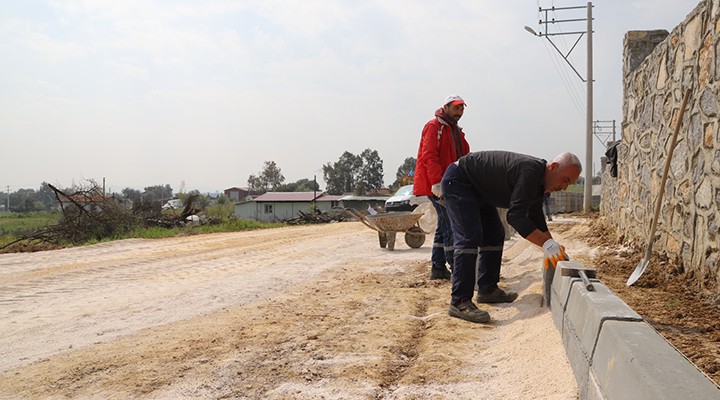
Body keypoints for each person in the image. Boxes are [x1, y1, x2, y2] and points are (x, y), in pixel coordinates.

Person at [438, 150, 581, 323]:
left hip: (479, 191)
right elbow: (515, 217)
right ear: (554, 167)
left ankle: (487, 290)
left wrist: (553, 245)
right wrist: (546, 245)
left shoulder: (538, 182)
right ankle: (459, 301)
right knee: (469, 237)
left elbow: (536, 217)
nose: (564, 187)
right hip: (460, 181)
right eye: (565, 180)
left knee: (494, 234)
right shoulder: (531, 172)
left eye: (569, 184)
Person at [413, 95, 471, 280]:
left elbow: (464, 154)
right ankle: (457, 268)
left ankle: (438, 267)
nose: (459, 112)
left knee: (443, 224)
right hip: (436, 184)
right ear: (445, 107)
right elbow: (429, 156)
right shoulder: (434, 127)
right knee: (451, 225)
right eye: (456, 108)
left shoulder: (455, 130)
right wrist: (437, 183)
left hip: (450, 183)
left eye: (462, 109)